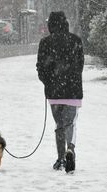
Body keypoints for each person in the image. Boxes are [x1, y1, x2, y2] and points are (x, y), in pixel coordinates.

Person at [36, 11, 84, 173]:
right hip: (73, 91)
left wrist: (48, 82)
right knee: (70, 123)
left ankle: (60, 158)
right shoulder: (76, 41)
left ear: (51, 25)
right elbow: (80, 66)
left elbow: (40, 68)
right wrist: (72, 78)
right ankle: (70, 149)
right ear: (66, 23)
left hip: (54, 93)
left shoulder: (45, 43)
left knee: (59, 125)